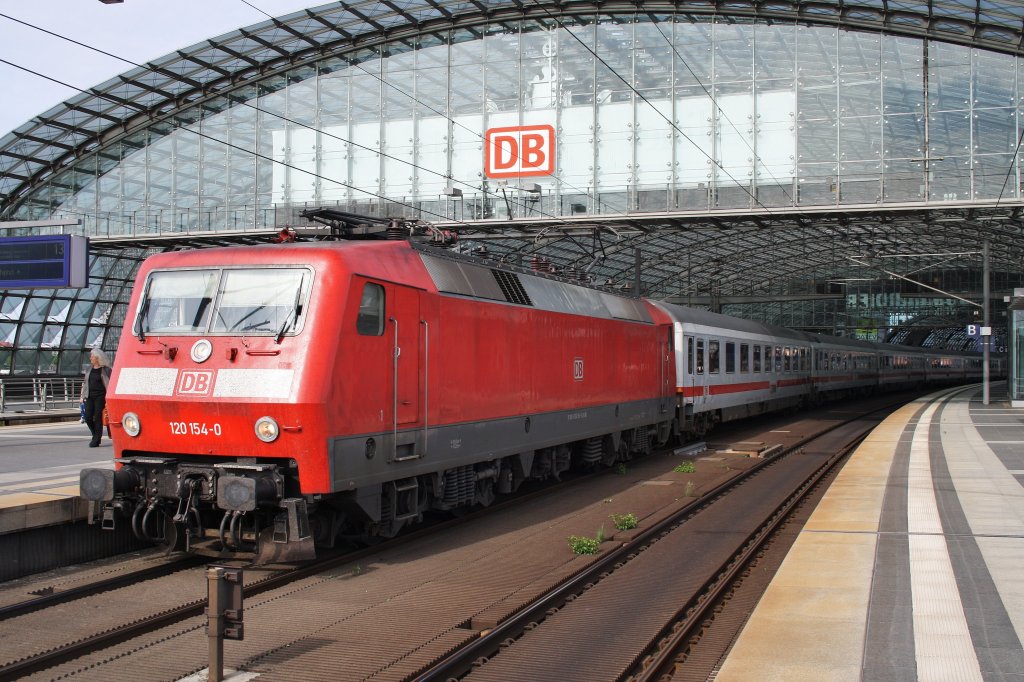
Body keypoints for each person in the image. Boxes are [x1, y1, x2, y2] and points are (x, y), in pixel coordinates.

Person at [80, 348, 112, 447]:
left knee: (98, 417)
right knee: (88, 417)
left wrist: (109, 398)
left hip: (101, 396)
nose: (90, 358)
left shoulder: (106, 370)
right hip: (89, 396)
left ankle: (97, 439)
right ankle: (95, 435)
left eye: (92, 356)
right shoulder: (89, 369)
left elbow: (110, 384)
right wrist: (82, 396)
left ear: (98, 358)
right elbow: (85, 383)